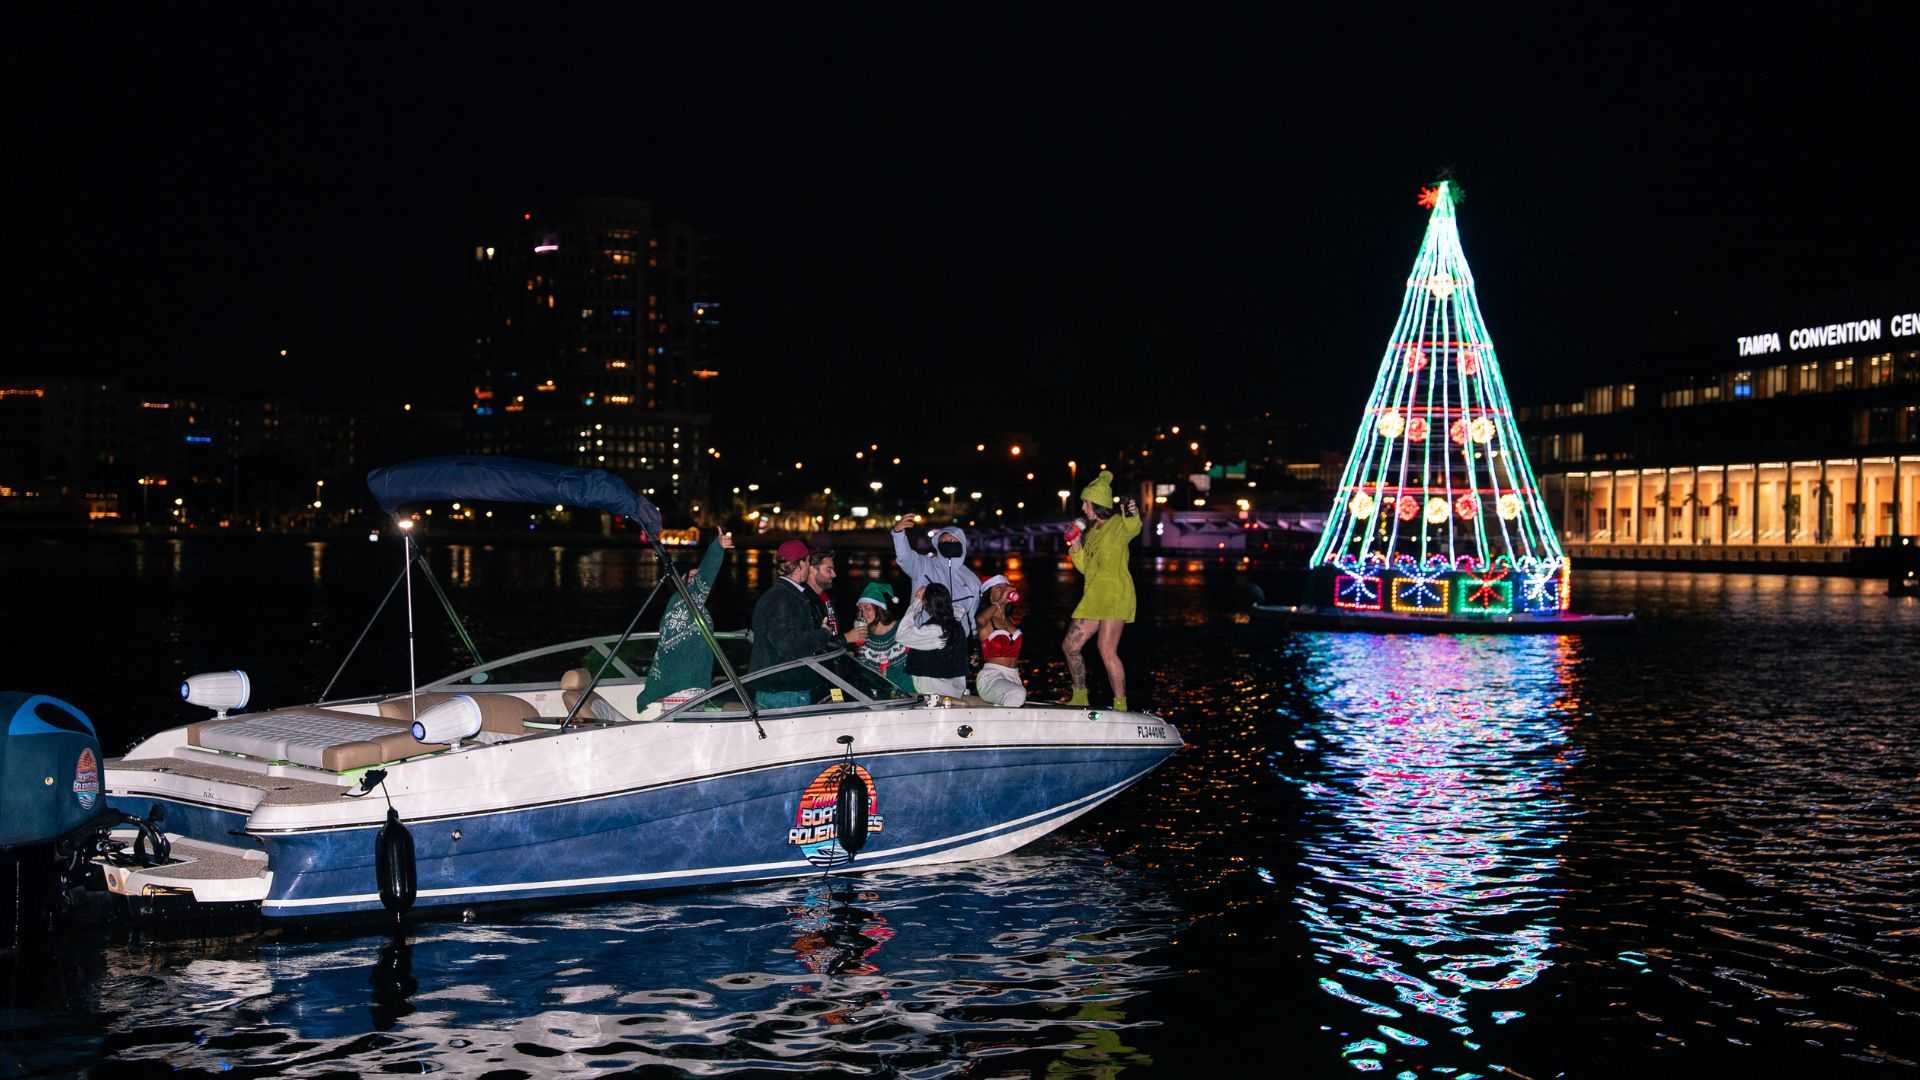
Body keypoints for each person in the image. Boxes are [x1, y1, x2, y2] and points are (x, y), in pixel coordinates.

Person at [1062, 470, 1141, 711]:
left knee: (1106, 649)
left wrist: (1131, 509)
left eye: (1086, 503)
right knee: (1070, 646)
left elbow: (1134, 526)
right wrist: (1075, 545)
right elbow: (1085, 567)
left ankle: (1120, 703)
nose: (1084, 508)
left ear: (1097, 503)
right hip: (1093, 595)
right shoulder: (1093, 531)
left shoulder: (1118, 524)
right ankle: (1080, 694)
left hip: (1115, 594)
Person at [634, 528, 734, 712]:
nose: (697, 582)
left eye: (698, 577)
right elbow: (707, 574)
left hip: (683, 687)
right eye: (693, 577)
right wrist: (717, 547)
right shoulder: (685, 603)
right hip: (684, 690)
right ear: (681, 580)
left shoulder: (684, 606)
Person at [749, 539, 837, 709]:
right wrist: (823, 633)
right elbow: (786, 643)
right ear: (800, 564)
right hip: (786, 690)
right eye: (808, 561)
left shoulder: (776, 594)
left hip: (775, 687)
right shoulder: (785, 598)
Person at [890, 516, 981, 638]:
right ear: (938, 545)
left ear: (962, 545)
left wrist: (973, 639)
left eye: (953, 541)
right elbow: (905, 558)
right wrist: (898, 534)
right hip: (924, 639)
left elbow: (972, 615)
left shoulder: (970, 578)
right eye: (944, 541)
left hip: (958, 642)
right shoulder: (923, 565)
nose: (949, 543)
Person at [898, 583, 968, 698]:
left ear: (926, 604)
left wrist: (916, 602)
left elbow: (901, 634)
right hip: (953, 689)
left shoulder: (934, 630)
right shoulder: (956, 622)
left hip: (936, 691)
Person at [852, 581, 914, 694]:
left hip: (910, 694)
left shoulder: (901, 628)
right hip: (883, 700)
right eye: (860, 610)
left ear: (879, 609)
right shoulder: (864, 637)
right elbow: (865, 675)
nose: (863, 614)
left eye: (867, 608)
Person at [974, 573, 1026, 707]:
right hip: (992, 677)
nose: (1003, 590)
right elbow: (980, 620)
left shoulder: (1010, 621)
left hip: (1013, 676)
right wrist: (999, 603)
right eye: (998, 588)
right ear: (989, 596)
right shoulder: (987, 621)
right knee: (1017, 694)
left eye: (1005, 587)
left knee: (1017, 694)